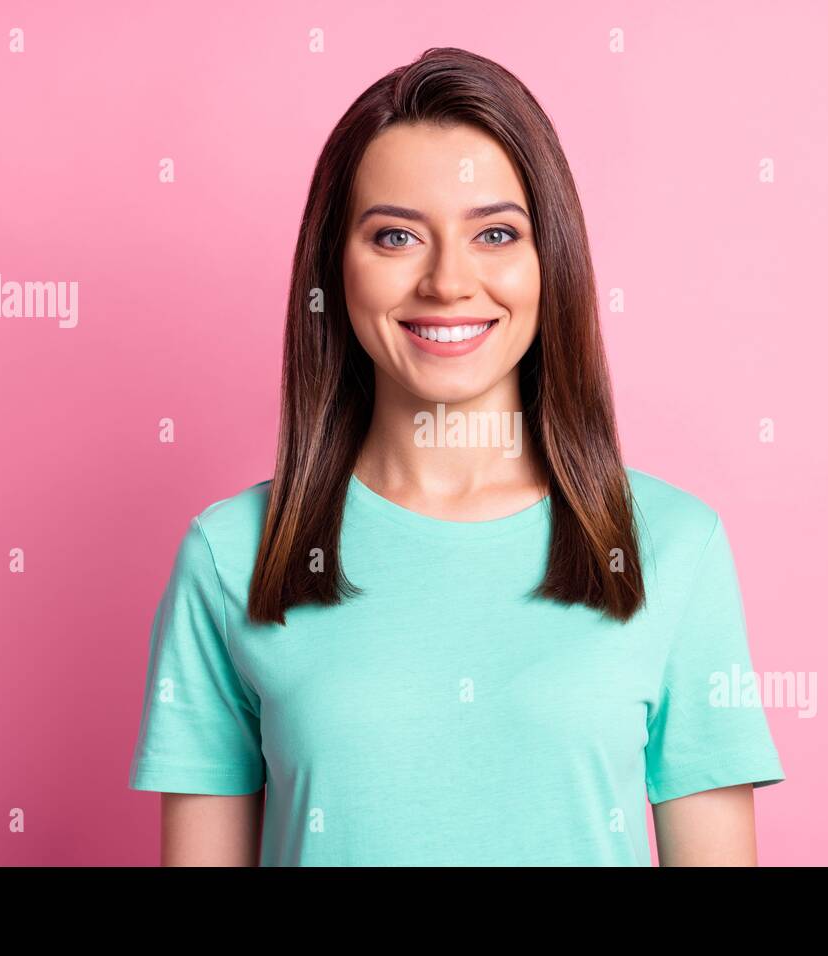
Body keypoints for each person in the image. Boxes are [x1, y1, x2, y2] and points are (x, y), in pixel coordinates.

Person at [127, 47, 785, 866]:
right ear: (337, 267)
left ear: (553, 261)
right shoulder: (231, 557)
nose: (448, 282)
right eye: (397, 235)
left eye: (496, 233)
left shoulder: (676, 547)